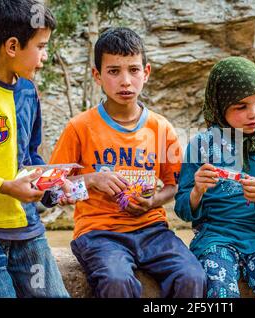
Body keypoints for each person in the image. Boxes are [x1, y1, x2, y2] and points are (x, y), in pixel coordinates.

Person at [49, 27, 206, 298]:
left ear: (146, 73)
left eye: (133, 70)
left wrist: (153, 201)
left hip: (152, 230)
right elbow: (50, 190)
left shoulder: (161, 128)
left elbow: (175, 185)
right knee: (117, 281)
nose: (125, 81)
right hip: (99, 233)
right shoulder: (79, 127)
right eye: (113, 71)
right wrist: (91, 180)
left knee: (193, 276)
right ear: (97, 75)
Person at [0, 0, 69, 297]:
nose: (45, 57)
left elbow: (30, 155)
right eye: (41, 46)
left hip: (27, 228)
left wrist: (52, 186)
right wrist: (8, 187)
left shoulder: (27, 90)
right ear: (12, 46)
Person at [174, 56, 255, 298]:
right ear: (220, 106)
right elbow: (182, 209)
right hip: (215, 239)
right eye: (241, 106)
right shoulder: (201, 146)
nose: (254, 114)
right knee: (221, 295)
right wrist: (197, 191)